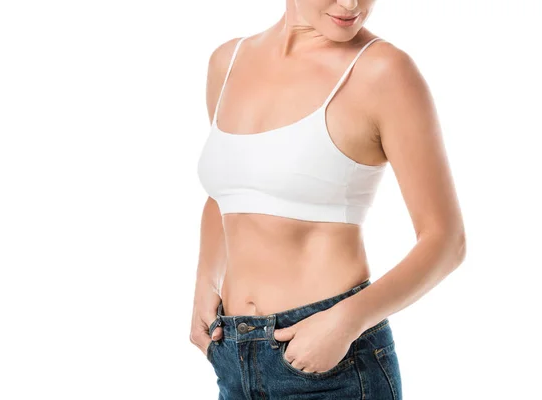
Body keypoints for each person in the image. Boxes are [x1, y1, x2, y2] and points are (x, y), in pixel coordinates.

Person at [192, 1, 466, 398]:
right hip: (232, 352)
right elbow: (228, 193)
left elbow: (446, 241)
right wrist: (205, 281)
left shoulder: (383, 72)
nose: (351, 4)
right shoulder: (228, 62)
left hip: (332, 363)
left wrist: (347, 321)